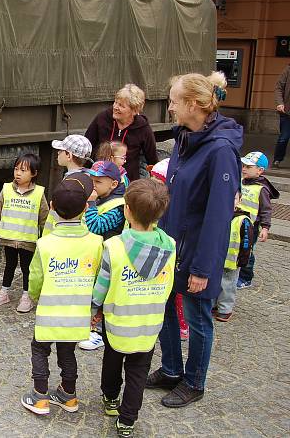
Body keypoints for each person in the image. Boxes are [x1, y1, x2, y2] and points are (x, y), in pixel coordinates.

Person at [145, 72, 242, 408]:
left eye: (174, 101)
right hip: (171, 248)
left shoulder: (220, 151)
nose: (170, 107)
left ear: (193, 104)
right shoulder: (187, 139)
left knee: (198, 318)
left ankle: (194, 381)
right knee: (164, 308)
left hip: (197, 254)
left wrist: (202, 268)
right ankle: (171, 369)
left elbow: (218, 217)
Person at [91, 179, 175, 437]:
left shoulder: (114, 246)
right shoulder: (170, 246)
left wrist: (94, 308)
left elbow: (102, 285)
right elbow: (169, 283)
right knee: (139, 372)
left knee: (113, 362)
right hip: (149, 323)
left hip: (118, 323)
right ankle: (127, 420)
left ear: (126, 210)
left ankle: (110, 398)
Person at [22, 174, 102, 415]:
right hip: (78, 311)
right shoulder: (96, 242)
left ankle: (39, 396)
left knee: (40, 349)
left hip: (49, 311)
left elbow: (35, 278)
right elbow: (99, 277)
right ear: (86, 208)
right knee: (67, 352)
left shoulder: (45, 244)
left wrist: (35, 297)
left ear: (53, 208)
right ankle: (68, 395)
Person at [0, 153, 49, 312]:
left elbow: (45, 218)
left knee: (27, 268)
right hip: (9, 238)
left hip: (28, 241)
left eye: (23, 170)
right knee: (9, 265)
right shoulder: (6, 189)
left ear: (34, 174)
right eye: (16, 169)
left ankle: (26, 296)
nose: (18, 173)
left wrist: (48, 239)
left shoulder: (39, 193)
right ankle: (4, 291)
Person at [77, 160, 126, 352]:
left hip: (109, 258)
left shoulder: (117, 206)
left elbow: (96, 226)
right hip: (97, 256)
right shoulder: (103, 198)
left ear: (113, 184)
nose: (93, 185)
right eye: (92, 180)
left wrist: (89, 203)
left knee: (102, 293)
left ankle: (98, 332)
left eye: (98, 182)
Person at [149, 158, 189, 341]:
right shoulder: (155, 201)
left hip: (173, 253)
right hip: (158, 249)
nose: (153, 186)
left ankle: (182, 325)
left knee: (176, 294)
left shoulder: (175, 206)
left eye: (157, 182)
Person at [85, 84, 158, 181]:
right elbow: (87, 146)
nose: (115, 107)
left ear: (134, 110)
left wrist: (156, 181)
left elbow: (152, 159)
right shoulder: (102, 118)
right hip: (99, 178)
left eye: (121, 106)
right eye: (115, 102)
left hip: (127, 181)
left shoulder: (143, 128)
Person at [236, 151, 279, 289]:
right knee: (236, 248)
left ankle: (246, 277)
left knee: (247, 252)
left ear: (260, 170)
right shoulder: (241, 182)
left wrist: (265, 228)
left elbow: (266, 210)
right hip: (237, 224)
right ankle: (235, 272)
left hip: (251, 227)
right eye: (243, 165)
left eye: (248, 167)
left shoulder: (262, 189)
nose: (243, 169)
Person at [213, 192, 253, 322]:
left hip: (233, 260)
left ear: (239, 200)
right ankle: (214, 304)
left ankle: (225, 309)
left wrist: (243, 259)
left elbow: (246, 242)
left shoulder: (243, 220)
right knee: (215, 282)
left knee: (228, 285)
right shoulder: (218, 215)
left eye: (234, 198)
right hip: (217, 258)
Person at [42, 134, 92, 236]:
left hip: (63, 233)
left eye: (61, 150)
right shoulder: (87, 178)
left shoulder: (71, 183)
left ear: (69, 155)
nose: (58, 153)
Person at [273, 64, 290, 167]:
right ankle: (277, 159)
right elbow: (279, 88)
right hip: (287, 112)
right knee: (284, 137)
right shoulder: (288, 70)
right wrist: (280, 103)